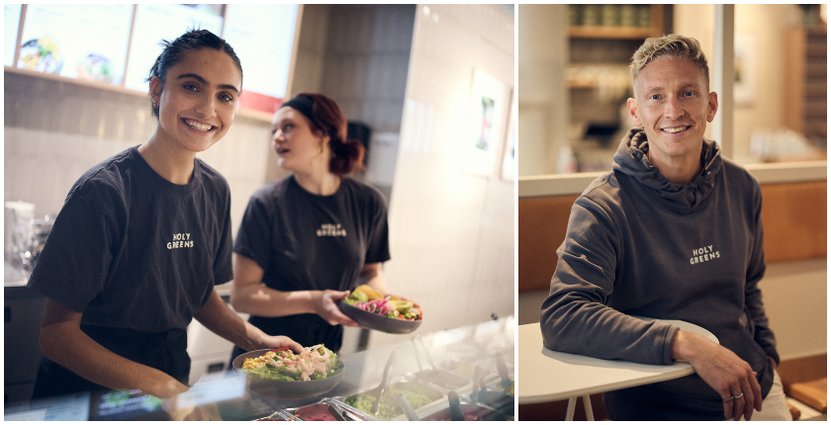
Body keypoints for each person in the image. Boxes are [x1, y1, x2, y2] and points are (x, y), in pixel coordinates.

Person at [27, 29, 302, 401]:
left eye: (225, 96)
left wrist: (258, 339)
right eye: (191, 87)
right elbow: (56, 335)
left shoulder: (215, 190)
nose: (208, 109)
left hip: (169, 382)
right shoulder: (104, 192)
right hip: (87, 396)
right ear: (157, 89)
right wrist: (156, 385)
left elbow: (199, 294)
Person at [539, 34, 790, 421]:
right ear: (635, 111)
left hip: (752, 391)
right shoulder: (603, 206)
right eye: (655, 96)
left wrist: (768, 358)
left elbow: (748, 289)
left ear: (711, 105)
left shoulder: (742, 188)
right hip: (656, 406)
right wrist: (687, 344)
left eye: (687, 93)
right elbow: (564, 316)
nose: (672, 110)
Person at [229, 93, 390, 359]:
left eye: (288, 127)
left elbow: (370, 271)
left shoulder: (369, 202)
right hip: (267, 355)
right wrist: (315, 302)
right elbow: (242, 296)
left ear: (323, 135)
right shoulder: (267, 203)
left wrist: (378, 304)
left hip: (326, 356)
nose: (277, 137)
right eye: (274, 131)